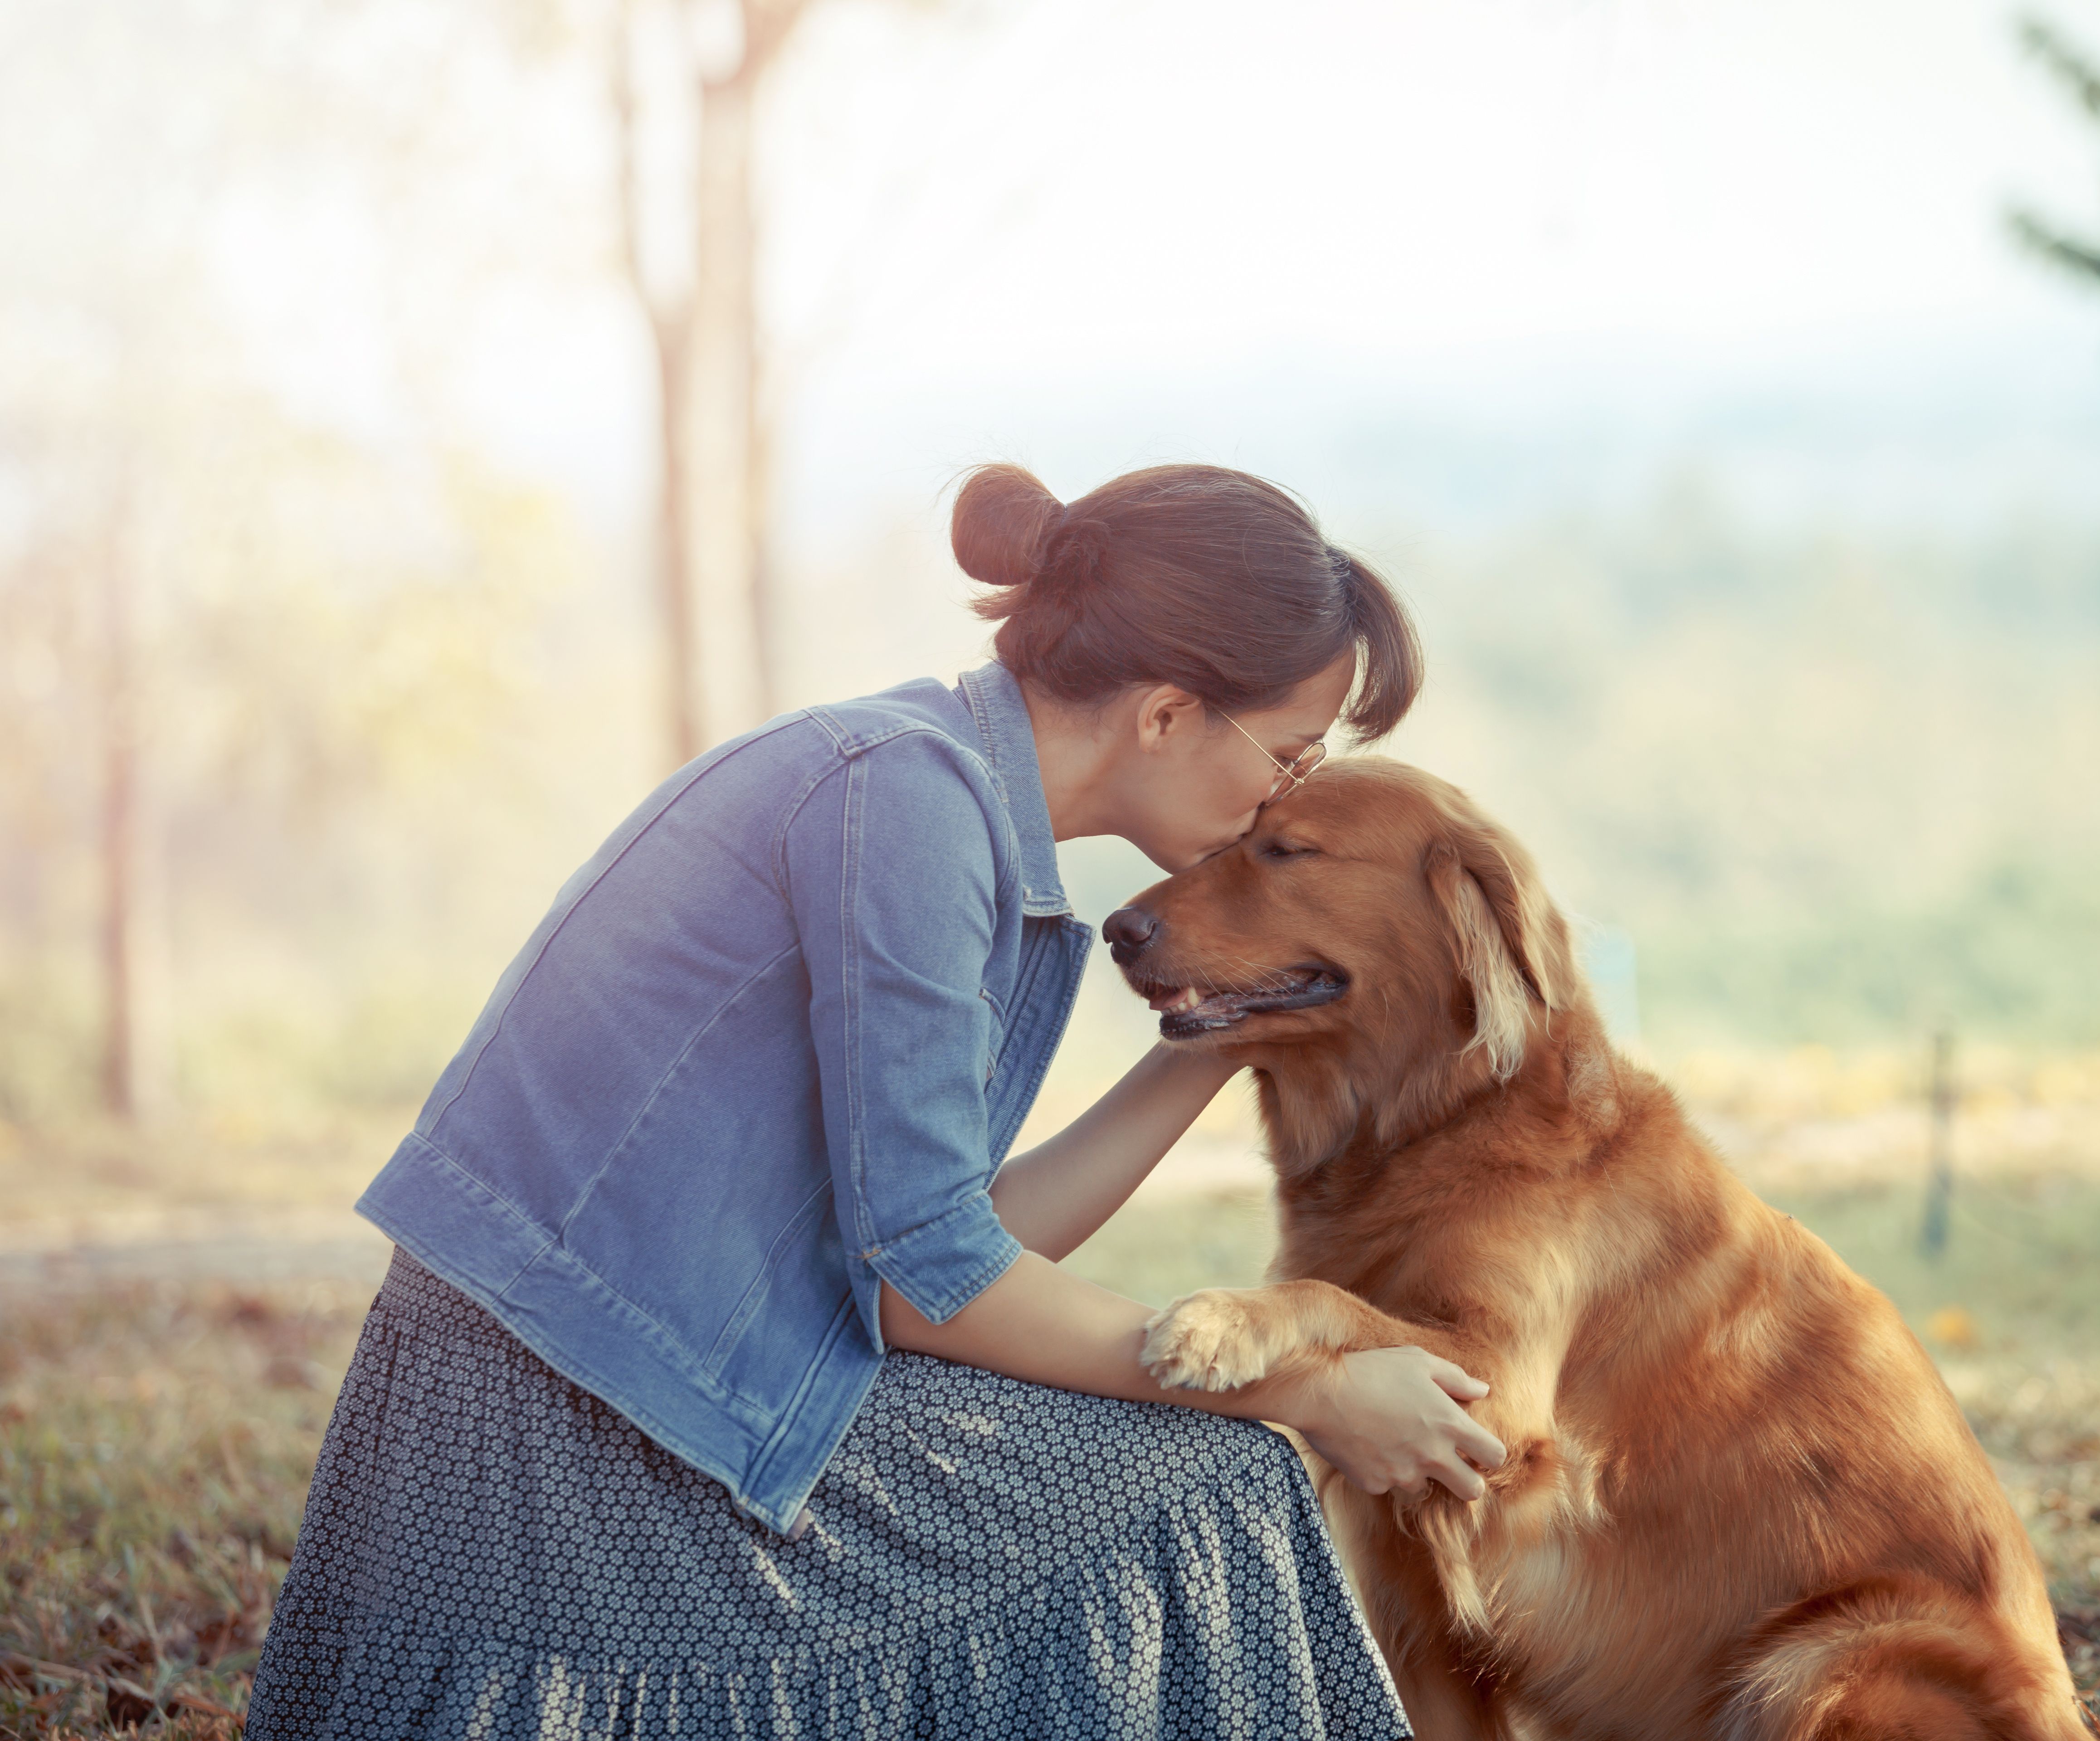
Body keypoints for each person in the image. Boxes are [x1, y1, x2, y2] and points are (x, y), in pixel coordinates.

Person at [244, 462, 1504, 1740]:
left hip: (679, 1381)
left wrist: (1214, 1042)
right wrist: (1305, 1389)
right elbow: (926, 1290)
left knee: (1191, 1473)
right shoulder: (904, 803)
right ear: (1171, 713)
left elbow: (942, 1245)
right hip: (567, 1436)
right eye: (1291, 755)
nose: (1284, 799)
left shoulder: (936, 790)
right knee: (1209, 1486)